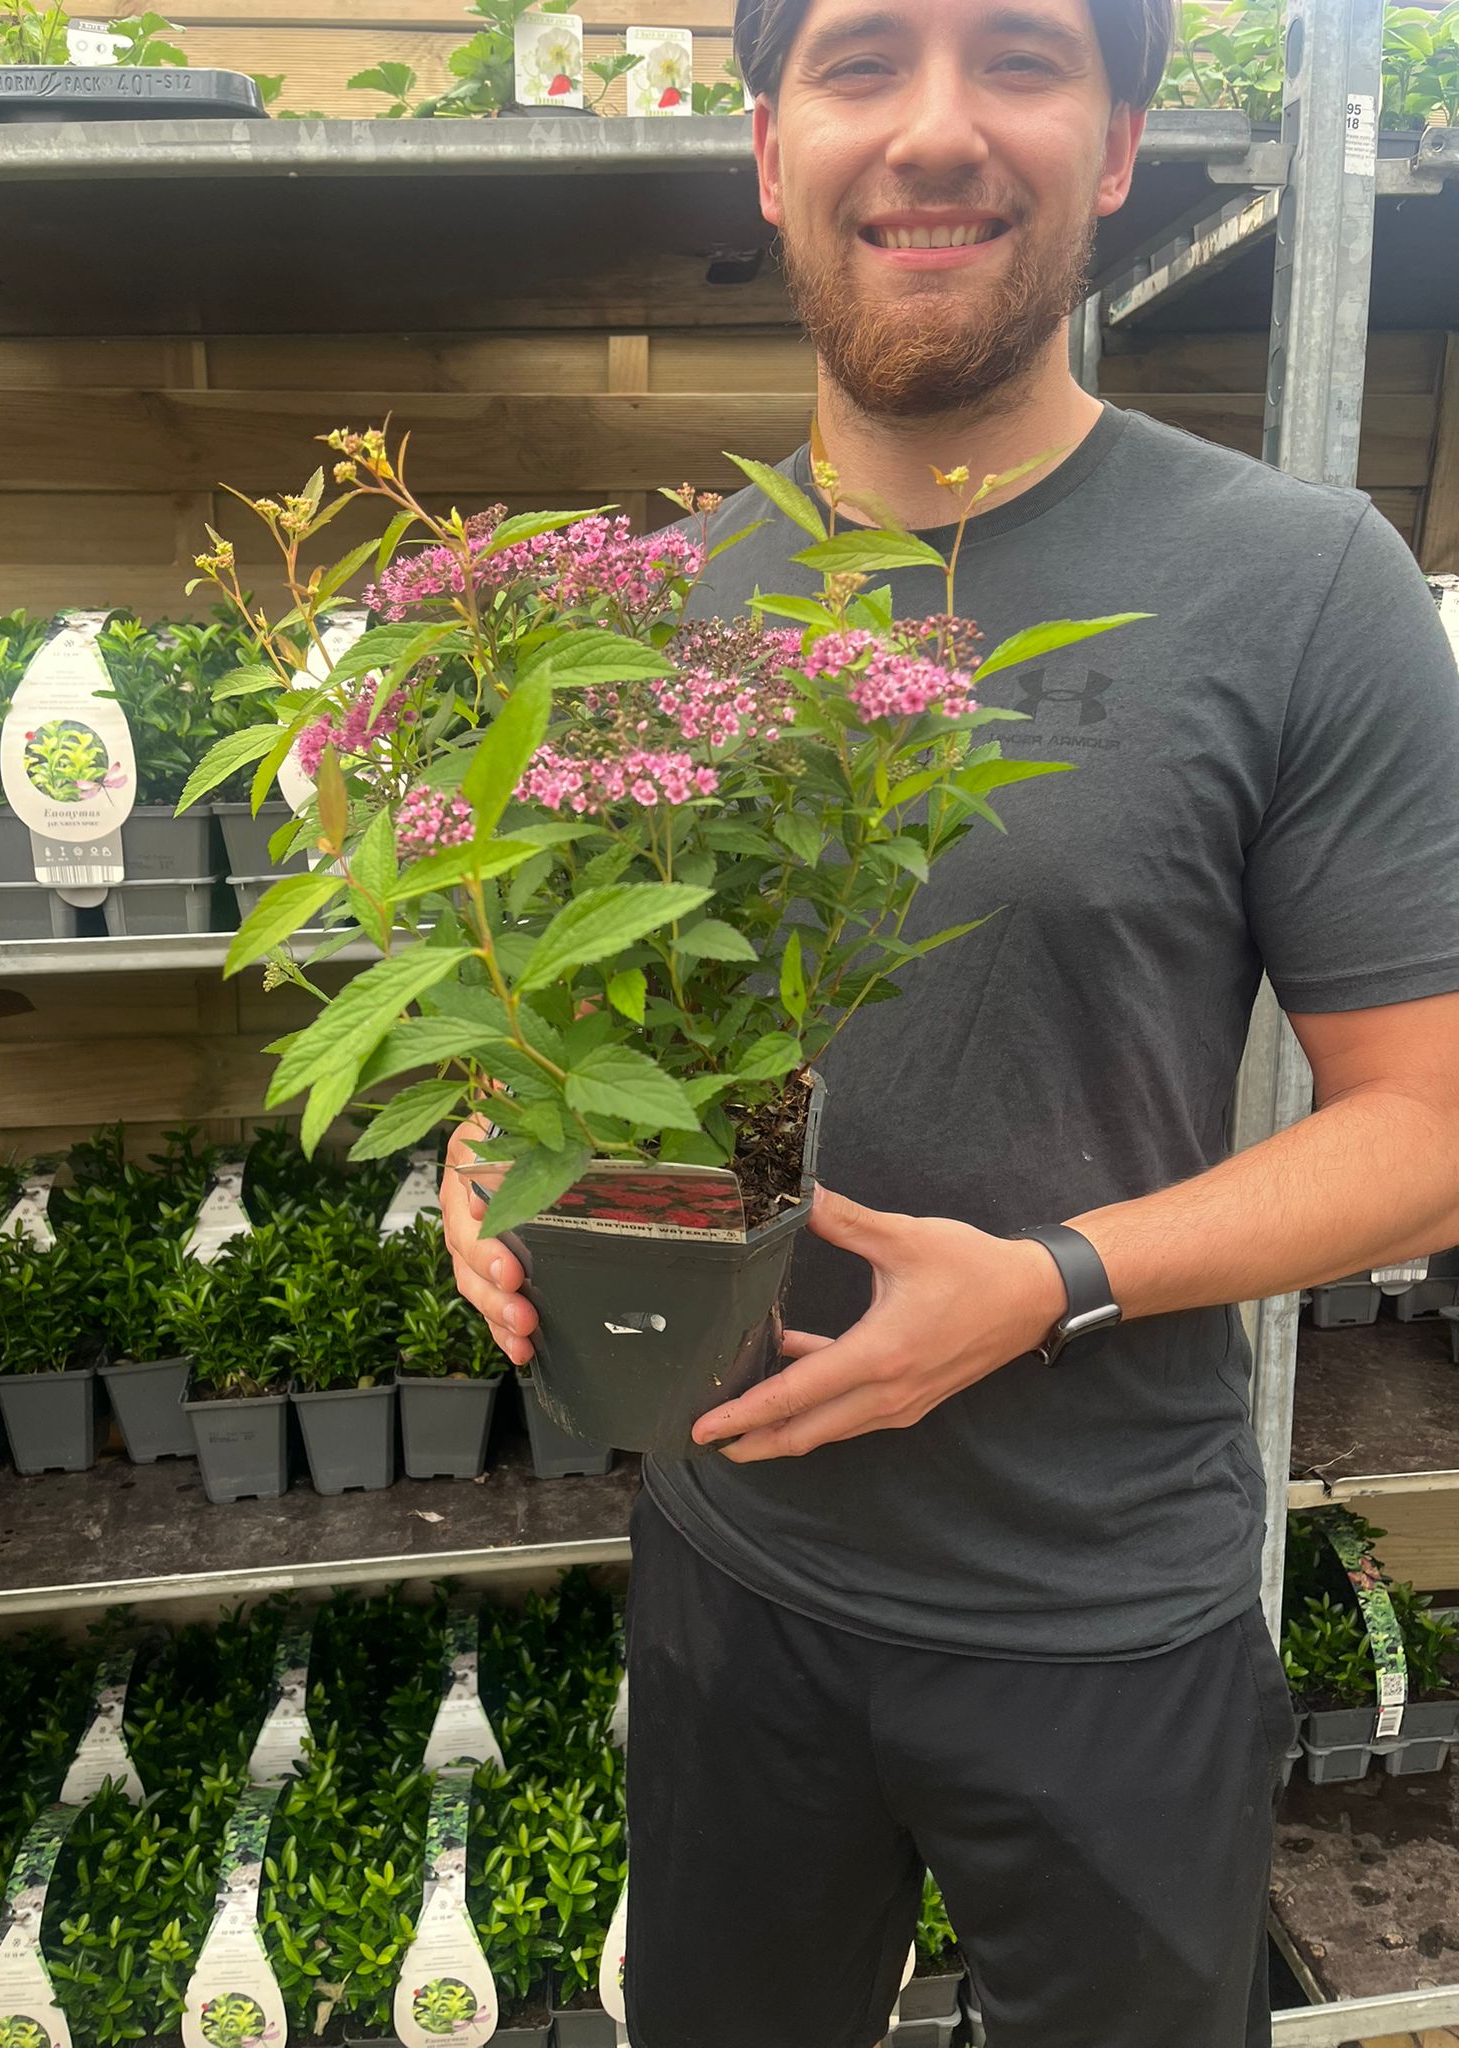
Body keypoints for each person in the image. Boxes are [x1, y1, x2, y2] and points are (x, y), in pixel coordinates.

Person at [441, 0, 1459, 2042]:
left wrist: (1056, 1280)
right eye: (859, 59)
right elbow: (587, 1014)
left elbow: (1428, 1115)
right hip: (736, 1576)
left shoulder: (1299, 581)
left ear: (1111, 143)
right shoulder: (653, 609)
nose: (932, 129)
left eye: (1015, 56)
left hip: (1107, 1618)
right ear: (765, 149)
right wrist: (500, 1151)